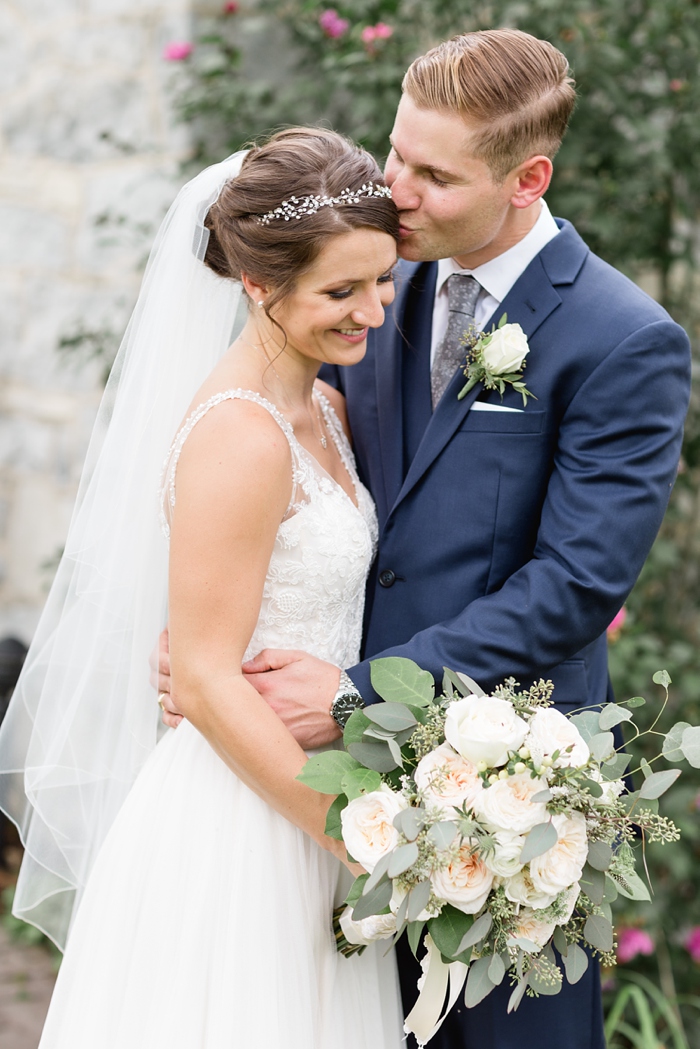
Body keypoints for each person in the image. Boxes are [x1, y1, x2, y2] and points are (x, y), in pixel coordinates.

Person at [156, 28, 691, 1049]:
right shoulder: (364, 288)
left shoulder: (622, 339)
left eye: (433, 174)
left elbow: (574, 585)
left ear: (526, 177)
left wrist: (361, 688)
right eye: (396, 153)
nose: (394, 188)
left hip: (497, 805)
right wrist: (206, 641)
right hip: (316, 793)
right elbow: (276, 480)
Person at [0, 128, 405, 1048]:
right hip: (246, 822)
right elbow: (210, 679)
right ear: (259, 283)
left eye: (381, 280)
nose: (373, 311)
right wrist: (350, 831)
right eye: (341, 291)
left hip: (317, 788)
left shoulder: (327, 406)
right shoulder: (240, 434)